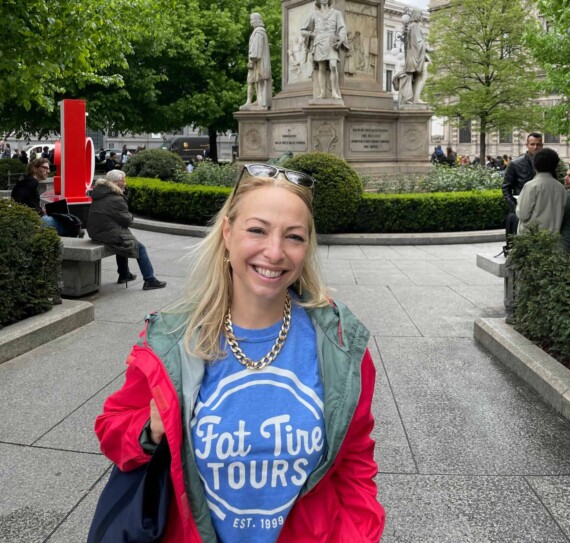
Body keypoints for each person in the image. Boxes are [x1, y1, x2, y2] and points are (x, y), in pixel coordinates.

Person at [93, 164, 385, 542]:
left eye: (294, 237)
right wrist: (149, 429)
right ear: (228, 233)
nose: (275, 252)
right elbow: (111, 428)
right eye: (257, 230)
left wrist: (358, 535)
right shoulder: (172, 338)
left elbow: (355, 457)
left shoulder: (340, 342)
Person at [87, 169, 167, 290]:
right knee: (140, 247)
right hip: (106, 232)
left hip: (96, 232)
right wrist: (130, 216)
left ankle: (124, 275)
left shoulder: (100, 192)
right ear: (116, 183)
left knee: (122, 242)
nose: (126, 183)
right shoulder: (116, 198)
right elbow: (127, 221)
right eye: (123, 180)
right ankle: (150, 280)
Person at [10, 158, 75, 236]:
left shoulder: (26, 181)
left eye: (48, 168)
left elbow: (26, 202)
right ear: (35, 168)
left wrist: (41, 210)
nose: (48, 171)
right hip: (35, 221)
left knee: (67, 219)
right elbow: (18, 201)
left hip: (32, 218)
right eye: (45, 168)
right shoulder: (32, 182)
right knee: (73, 224)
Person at [301, 0, 348, 100]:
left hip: (332, 42)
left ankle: (334, 92)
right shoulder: (313, 14)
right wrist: (312, 35)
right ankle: (322, 93)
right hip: (319, 43)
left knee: (333, 65)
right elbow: (303, 30)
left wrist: (341, 39)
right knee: (321, 68)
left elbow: (342, 28)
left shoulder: (336, 13)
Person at [516, 148, 567, 235]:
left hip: (530, 236)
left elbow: (522, 214)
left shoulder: (531, 186)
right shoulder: (561, 188)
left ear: (534, 164)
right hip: (552, 237)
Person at [392, 9, 429, 106]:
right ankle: (416, 99)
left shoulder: (411, 27)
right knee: (422, 76)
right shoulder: (415, 27)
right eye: (421, 14)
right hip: (415, 57)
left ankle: (415, 99)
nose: (422, 17)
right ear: (417, 15)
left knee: (416, 77)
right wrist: (429, 49)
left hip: (412, 56)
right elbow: (418, 43)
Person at [502, 132, 544, 213]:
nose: (535, 147)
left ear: (542, 146)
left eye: (538, 144)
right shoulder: (514, 164)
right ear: (527, 145)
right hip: (522, 208)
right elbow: (506, 188)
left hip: (542, 209)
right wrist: (515, 208)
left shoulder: (547, 163)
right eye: (532, 144)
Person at [242, 13, 272, 110]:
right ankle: (251, 101)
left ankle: (258, 101)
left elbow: (257, 50)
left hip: (257, 62)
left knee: (257, 81)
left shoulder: (259, 32)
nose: (251, 22)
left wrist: (252, 59)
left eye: (252, 20)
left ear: (256, 20)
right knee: (253, 81)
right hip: (254, 62)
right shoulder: (258, 32)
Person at [561, 168, 570, 253]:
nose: (565, 178)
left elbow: (560, 219)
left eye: (569, 176)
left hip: (566, 245)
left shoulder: (567, 196)